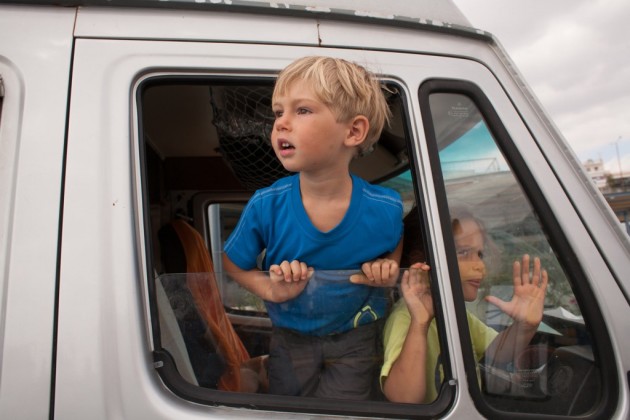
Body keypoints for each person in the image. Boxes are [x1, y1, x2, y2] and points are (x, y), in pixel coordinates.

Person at [222, 56, 403, 399]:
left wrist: (388, 265)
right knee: (293, 408)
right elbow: (233, 263)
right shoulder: (266, 205)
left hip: (357, 336)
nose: (281, 124)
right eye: (278, 113)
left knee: (343, 411)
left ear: (353, 131)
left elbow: (393, 240)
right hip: (291, 336)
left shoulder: (386, 208)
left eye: (301, 110)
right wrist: (270, 289)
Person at [381, 206, 548, 403]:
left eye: (480, 255)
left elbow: (498, 354)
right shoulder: (407, 317)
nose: (480, 266)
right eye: (463, 253)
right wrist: (420, 325)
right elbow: (404, 400)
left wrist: (525, 326)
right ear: (422, 261)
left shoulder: (451, 310)